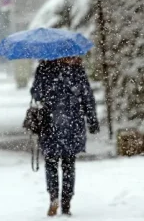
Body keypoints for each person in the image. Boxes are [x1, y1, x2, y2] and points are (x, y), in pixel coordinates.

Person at [30, 57, 100, 217]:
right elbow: (87, 96)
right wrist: (92, 119)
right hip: (73, 123)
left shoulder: (44, 68)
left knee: (51, 163)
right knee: (69, 164)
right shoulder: (77, 69)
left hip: (50, 122)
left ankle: (53, 197)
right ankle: (67, 201)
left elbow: (37, 94)